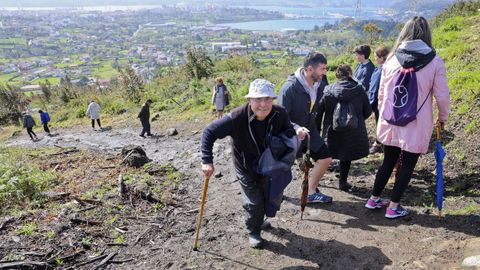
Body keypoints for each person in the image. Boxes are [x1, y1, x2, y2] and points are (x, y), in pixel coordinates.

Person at [365, 16, 450, 219]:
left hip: (391, 119)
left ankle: (373, 198)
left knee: (388, 160)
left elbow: (382, 94)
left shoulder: (392, 59)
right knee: (408, 163)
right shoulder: (435, 61)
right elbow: (442, 96)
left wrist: (383, 117)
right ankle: (393, 207)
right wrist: (443, 117)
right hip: (417, 122)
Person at [201, 79, 295, 248]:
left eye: (267, 99)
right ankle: (253, 231)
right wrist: (207, 161)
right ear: (249, 100)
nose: (263, 104)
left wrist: (297, 132)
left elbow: (287, 130)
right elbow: (209, 132)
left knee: (271, 196)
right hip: (245, 166)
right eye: (258, 99)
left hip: (270, 165)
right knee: (254, 201)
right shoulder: (236, 117)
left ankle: (259, 220)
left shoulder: (279, 113)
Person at [278, 52, 333, 204]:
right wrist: (296, 128)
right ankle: (273, 192)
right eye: (322, 69)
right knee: (283, 168)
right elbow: (281, 118)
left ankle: (310, 192)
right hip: (290, 134)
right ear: (309, 69)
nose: (325, 72)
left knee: (326, 158)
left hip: (310, 130)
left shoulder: (319, 83)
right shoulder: (289, 88)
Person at [318, 65, 372, 192]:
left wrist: (317, 129)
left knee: (324, 156)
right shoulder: (359, 90)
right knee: (345, 156)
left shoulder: (328, 90)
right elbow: (368, 111)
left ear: (336, 75)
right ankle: (342, 182)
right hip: (353, 130)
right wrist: (357, 120)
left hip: (331, 130)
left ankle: (316, 181)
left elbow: (319, 111)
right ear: (350, 74)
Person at [368, 45, 390, 154]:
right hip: (382, 101)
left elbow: (375, 88)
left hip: (378, 101)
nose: (375, 58)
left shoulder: (382, 70)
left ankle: (379, 143)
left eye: (376, 56)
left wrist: (370, 103)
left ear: (381, 58)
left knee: (380, 122)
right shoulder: (384, 68)